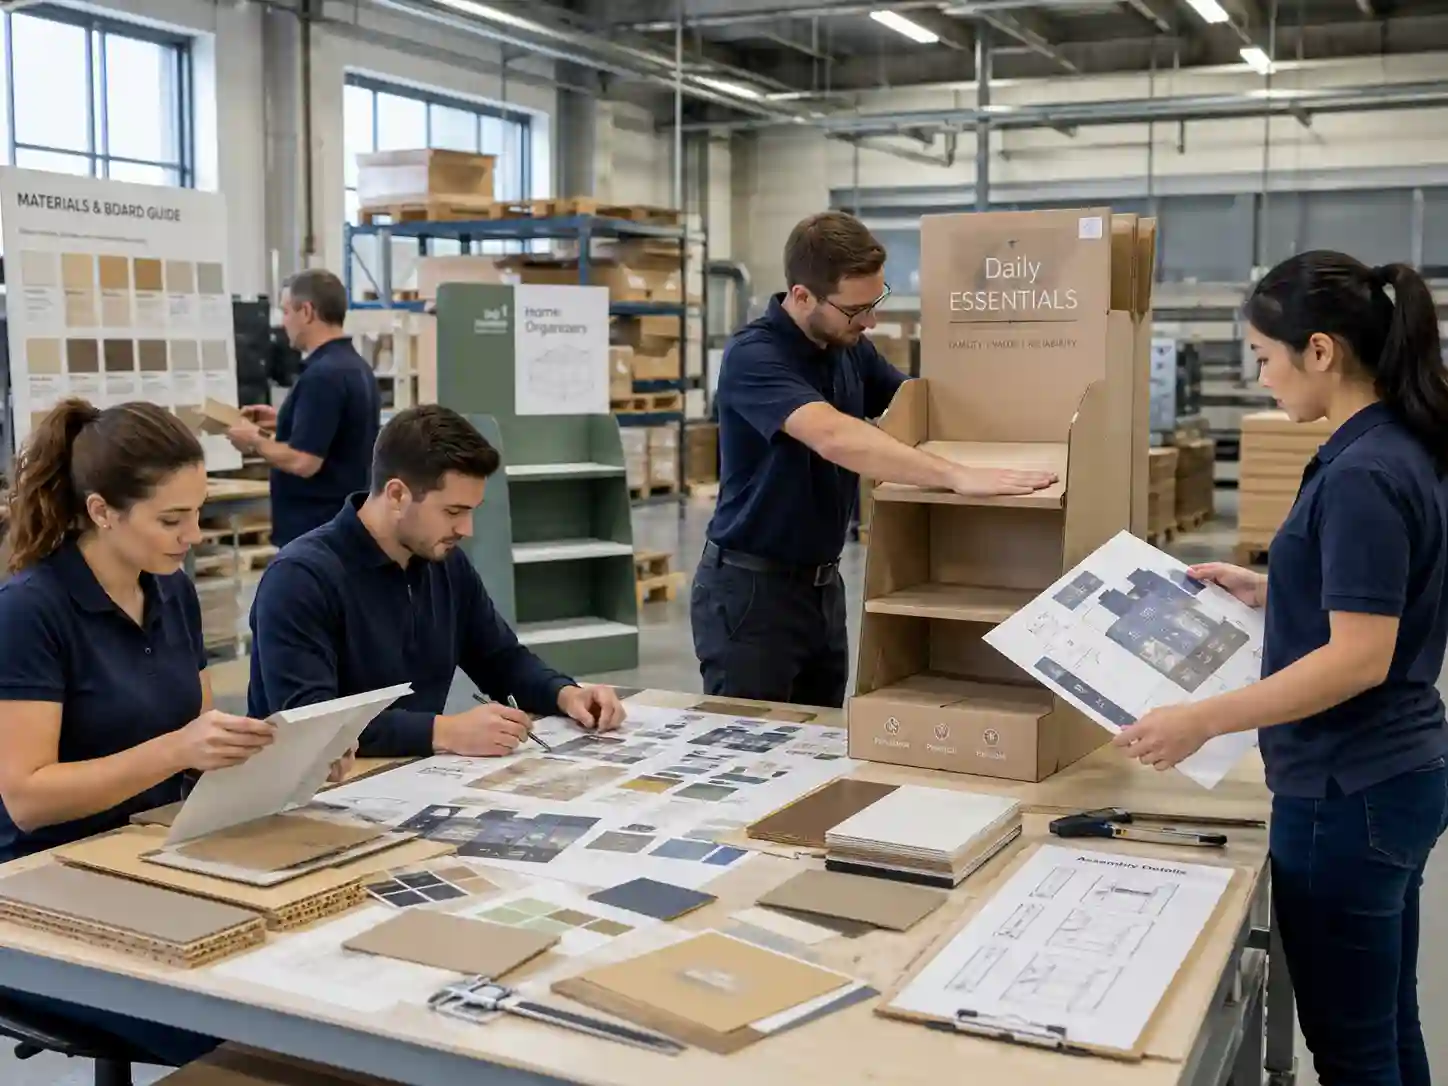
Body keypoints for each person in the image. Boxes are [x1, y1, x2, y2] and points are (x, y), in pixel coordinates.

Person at [1112, 252, 1448, 1086]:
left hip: (1347, 792)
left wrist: (1201, 719)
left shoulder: (1365, 471)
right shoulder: (1398, 445)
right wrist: (1278, 588)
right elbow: (1383, 597)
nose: (1262, 380)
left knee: (1352, 1050)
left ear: (1321, 352)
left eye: (1265, 358)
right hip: (1393, 776)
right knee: (1387, 1025)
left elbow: (1358, 658)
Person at [0, 400, 305, 1066]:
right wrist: (175, 751)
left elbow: (198, 739)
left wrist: (284, 757)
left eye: (198, 511)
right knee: (257, 1028)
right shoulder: (30, 612)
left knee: (309, 974)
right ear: (103, 510)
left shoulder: (170, 591)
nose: (193, 534)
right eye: (172, 519)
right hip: (44, 883)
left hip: (150, 851)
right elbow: (27, 798)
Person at [693, 211, 1057, 708]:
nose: (871, 321)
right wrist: (956, 476)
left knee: (816, 744)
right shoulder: (754, 356)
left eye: (876, 301)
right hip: (752, 593)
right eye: (856, 309)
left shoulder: (849, 350)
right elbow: (833, 434)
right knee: (751, 745)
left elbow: (919, 403)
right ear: (802, 296)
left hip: (822, 587)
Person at [247, 404, 626, 758]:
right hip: (309, 798)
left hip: (405, 778)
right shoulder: (300, 579)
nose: (466, 529)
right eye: (453, 511)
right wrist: (443, 732)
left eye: (471, 511)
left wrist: (564, 693)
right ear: (396, 495)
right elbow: (311, 722)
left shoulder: (444, 564)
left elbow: (500, 659)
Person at [227, 269, 381, 546]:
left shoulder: (323, 374)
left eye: (286, 312)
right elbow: (337, 430)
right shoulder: (354, 366)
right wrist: (285, 419)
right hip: (344, 523)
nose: (283, 322)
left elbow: (304, 461)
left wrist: (253, 441)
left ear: (307, 312)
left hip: (315, 529)